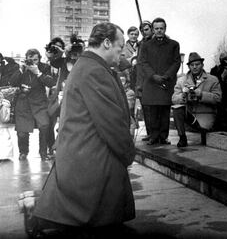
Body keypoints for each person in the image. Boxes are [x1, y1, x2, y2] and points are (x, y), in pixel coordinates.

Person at [33, 22, 135, 233]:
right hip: (92, 158)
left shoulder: (87, 66)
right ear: (106, 43)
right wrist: (128, 153)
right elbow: (111, 123)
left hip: (82, 153)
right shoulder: (94, 71)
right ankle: (36, 219)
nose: (122, 52)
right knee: (94, 223)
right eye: (120, 45)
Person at [140, 17, 180, 145]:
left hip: (166, 82)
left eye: (161, 28)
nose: (159, 31)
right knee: (152, 110)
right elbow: (143, 63)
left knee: (165, 110)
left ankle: (163, 136)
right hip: (152, 82)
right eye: (156, 28)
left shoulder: (174, 44)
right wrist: (153, 76)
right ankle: (153, 136)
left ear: (165, 29)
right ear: (153, 29)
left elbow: (176, 62)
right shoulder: (146, 45)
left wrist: (167, 76)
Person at [172, 52, 222, 147]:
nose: (194, 67)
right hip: (190, 114)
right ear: (189, 67)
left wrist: (201, 95)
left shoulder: (213, 79)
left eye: (197, 64)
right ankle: (182, 137)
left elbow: (218, 98)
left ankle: (205, 133)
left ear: (202, 65)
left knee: (205, 139)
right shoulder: (181, 80)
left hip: (206, 114)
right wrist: (183, 95)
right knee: (177, 109)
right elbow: (174, 99)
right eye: (192, 65)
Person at [14, 49, 55, 161]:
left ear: (39, 59)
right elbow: (13, 82)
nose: (33, 62)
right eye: (30, 60)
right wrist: (21, 71)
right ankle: (23, 152)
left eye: (35, 60)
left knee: (45, 126)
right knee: (22, 131)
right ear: (26, 58)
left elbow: (51, 83)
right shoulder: (22, 68)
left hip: (39, 102)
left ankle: (43, 153)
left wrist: (38, 73)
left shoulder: (44, 67)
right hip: (23, 102)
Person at [135, 20, 154, 141]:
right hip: (141, 79)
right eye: (142, 30)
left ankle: (157, 134)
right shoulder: (141, 44)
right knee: (146, 108)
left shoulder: (155, 42)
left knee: (154, 109)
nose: (144, 32)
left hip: (152, 78)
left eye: (146, 29)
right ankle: (150, 133)